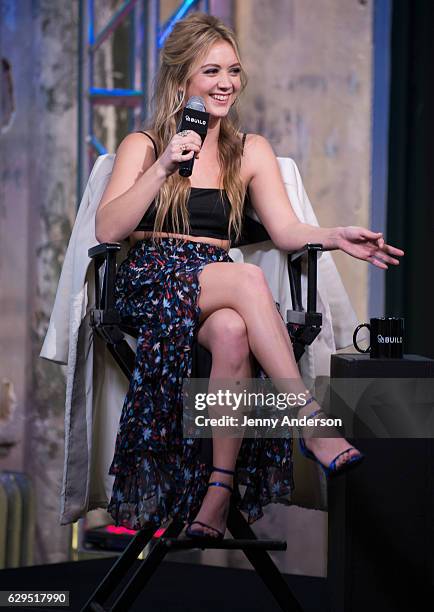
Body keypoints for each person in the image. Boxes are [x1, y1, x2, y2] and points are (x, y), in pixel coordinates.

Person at [95, 13, 404, 540]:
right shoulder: (144, 145)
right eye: (211, 71)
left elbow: (285, 231)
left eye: (233, 71)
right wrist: (166, 163)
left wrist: (335, 236)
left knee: (235, 331)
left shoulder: (250, 151)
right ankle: (308, 420)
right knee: (247, 282)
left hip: (211, 281)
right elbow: (108, 227)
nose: (226, 84)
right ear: (182, 80)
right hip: (151, 276)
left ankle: (216, 496)